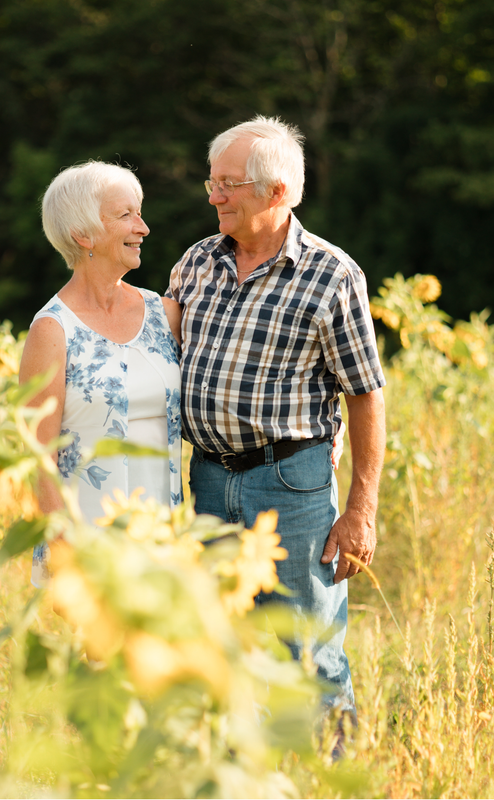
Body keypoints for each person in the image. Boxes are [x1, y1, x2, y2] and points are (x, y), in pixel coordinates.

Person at [166, 116, 386, 715]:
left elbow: (365, 394)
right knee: (223, 648)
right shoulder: (196, 262)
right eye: (212, 182)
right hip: (209, 478)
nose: (212, 196)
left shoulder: (332, 275)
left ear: (276, 191)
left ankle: (326, 779)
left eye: (228, 184)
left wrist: (361, 510)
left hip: (292, 484)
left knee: (306, 655)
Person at [19, 161, 184, 587]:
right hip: (86, 541)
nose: (143, 227)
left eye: (140, 212)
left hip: (164, 536)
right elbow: (39, 456)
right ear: (83, 234)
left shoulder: (164, 314)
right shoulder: (52, 330)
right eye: (126, 215)